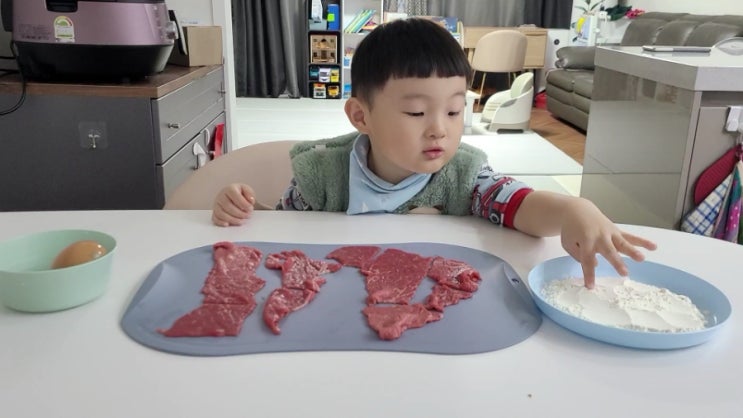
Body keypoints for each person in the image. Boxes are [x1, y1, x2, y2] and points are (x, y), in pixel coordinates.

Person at [211, 18, 656, 288]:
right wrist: (244, 210)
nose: (440, 128)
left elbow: (519, 205)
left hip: (427, 299)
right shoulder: (323, 174)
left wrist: (572, 210)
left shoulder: (464, 176)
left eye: (455, 110)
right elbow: (284, 235)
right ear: (361, 116)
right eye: (416, 112)